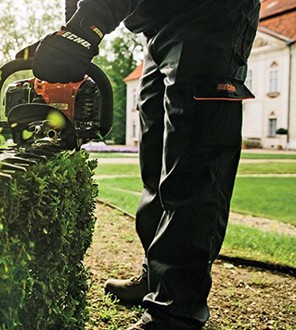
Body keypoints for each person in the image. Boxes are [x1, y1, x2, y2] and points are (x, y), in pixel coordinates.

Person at [28, 0, 261, 329]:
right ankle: (157, 276)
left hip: (211, 14)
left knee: (191, 166)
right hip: (157, 27)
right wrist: (74, 37)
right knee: (154, 159)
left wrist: (86, 30)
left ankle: (176, 309)